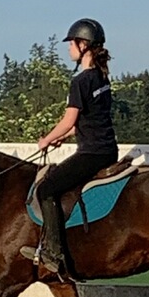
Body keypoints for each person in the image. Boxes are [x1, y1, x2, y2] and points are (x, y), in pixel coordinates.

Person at [21, 18, 119, 276]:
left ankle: (53, 251)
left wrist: (46, 139)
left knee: (46, 189)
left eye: (72, 43)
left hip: (92, 153)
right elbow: (89, 119)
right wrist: (65, 135)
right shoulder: (101, 77)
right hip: (108, 149)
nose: (69, 49)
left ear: (83, 45)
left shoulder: (80, 81)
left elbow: (69, 119)